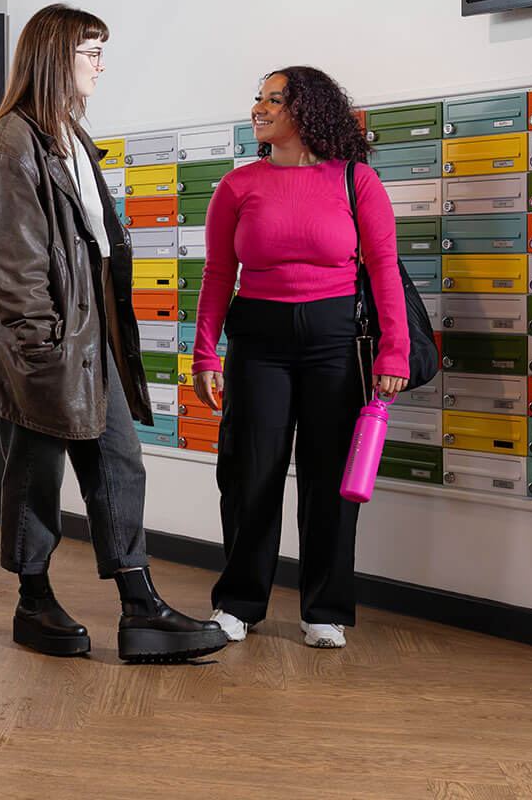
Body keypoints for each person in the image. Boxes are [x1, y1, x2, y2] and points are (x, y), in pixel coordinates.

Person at [0, 3, 227, 663]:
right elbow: (11, 264)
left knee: (118, 463)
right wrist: (43, 348)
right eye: (92, 52)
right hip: (47, 346)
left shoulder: (72, 137)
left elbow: (95, 249)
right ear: (57, 56)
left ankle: (139, 607)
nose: (101, 65)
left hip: (93, 339)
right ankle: (34, 601)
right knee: (36, 470)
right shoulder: (12, 141)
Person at [191, 67, 409, 649]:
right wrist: (205, 353)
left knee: (329, 480)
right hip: (258, 344)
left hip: (336, 344)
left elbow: (384, 270)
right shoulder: (237, 186)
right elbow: (217, 275)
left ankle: (325, 609)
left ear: (307, 111)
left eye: (274, 99)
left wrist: (395, 349)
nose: (259, 107)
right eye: (258, 97)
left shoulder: (356, 181)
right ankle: (238, 603)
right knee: (248, 475)